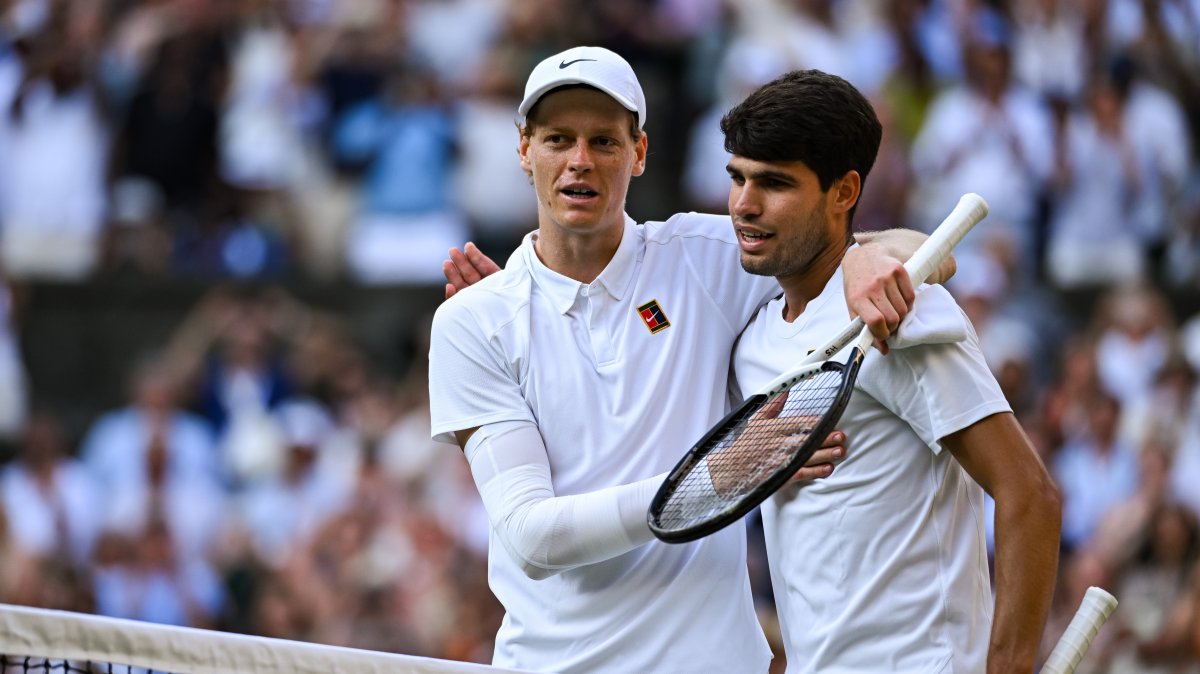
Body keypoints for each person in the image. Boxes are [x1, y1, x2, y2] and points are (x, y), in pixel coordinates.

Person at [429, 46, 951, 674]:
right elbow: (532, 538)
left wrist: (866, 255)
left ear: (640, 152)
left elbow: (932, 252)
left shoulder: (704, 257)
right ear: (523, 149)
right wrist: (717, 476)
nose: (579, 161)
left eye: (604, 142)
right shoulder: (472, 321)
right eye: (557, 139)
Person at [721, 69, 1061, 673]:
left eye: (774, 183)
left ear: (844, 191)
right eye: (737, 177)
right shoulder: (753, 338)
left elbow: (1029, 494)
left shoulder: (900, 316)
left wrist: (1009, 666)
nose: (745, 205)